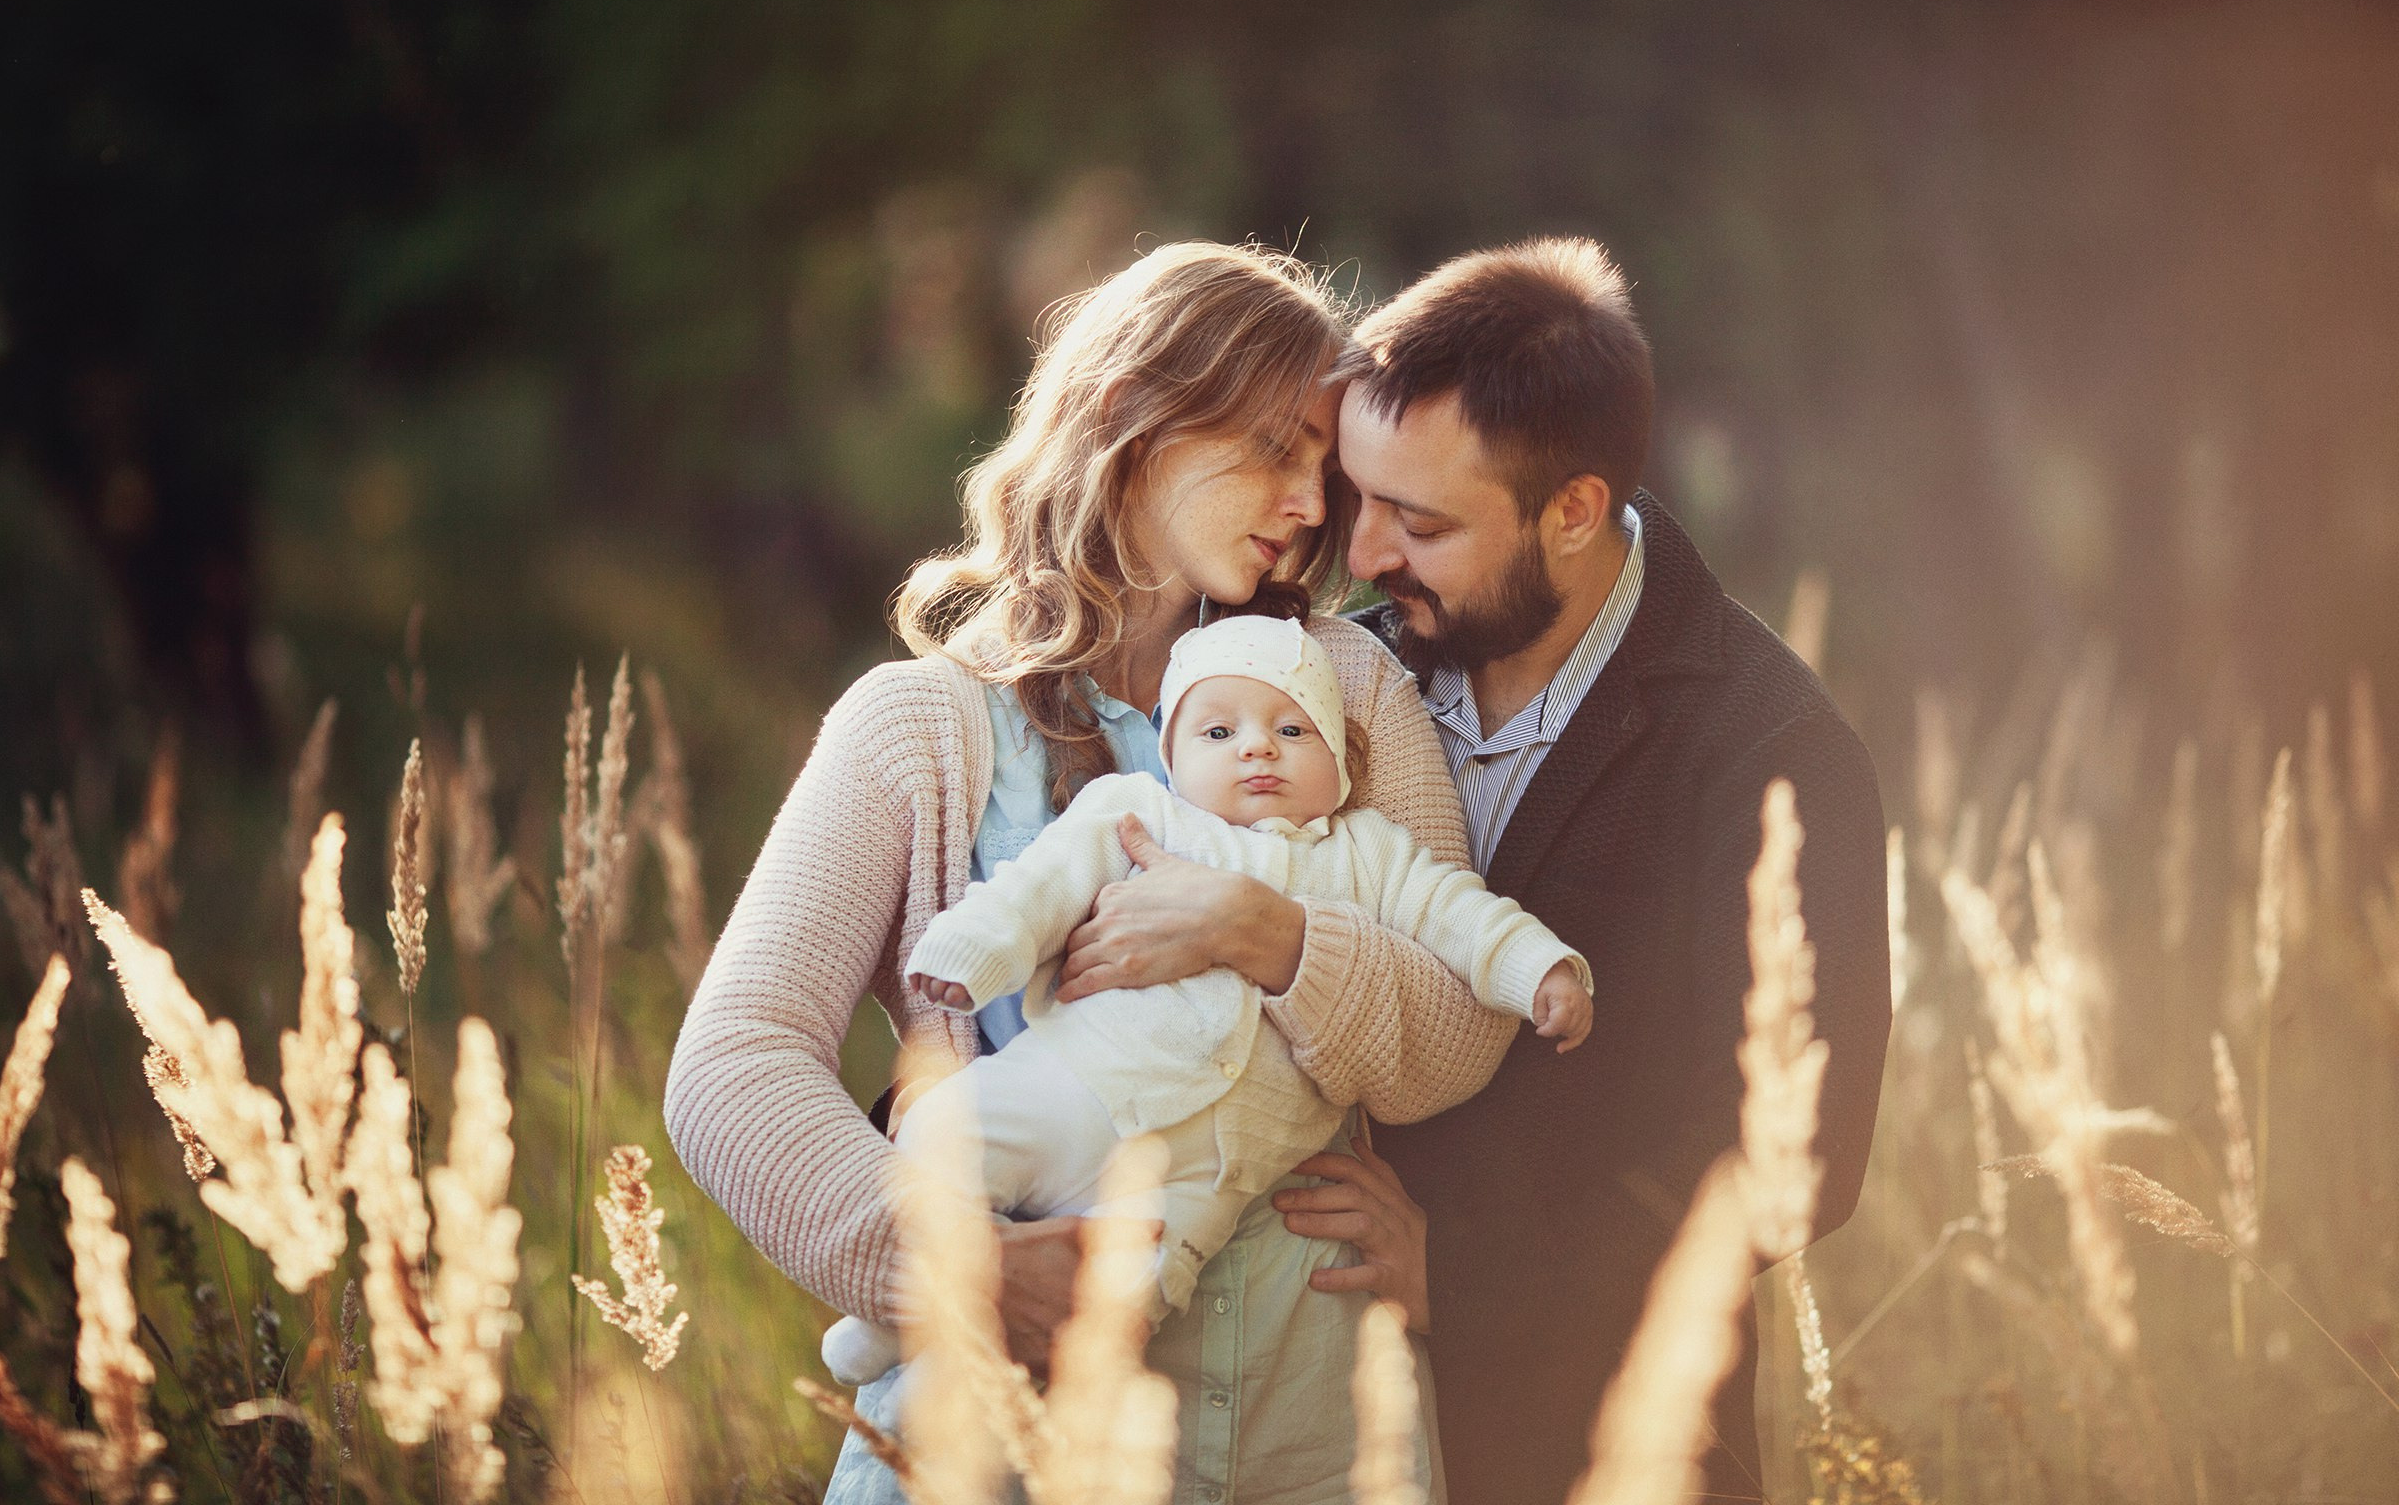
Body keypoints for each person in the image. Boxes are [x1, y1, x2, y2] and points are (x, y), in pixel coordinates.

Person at [663, 241, 1522, 1505]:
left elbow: (1458, 1025)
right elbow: (732, 1063)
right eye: (1276, 449)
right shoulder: (921, 727)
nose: (1306, 505)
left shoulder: (1345, 684)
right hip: (1005, 1440)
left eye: (1320, 472)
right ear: (1134, 415)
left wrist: (1270, 935)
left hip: (1307, 1429)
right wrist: (967, 1271)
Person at [1072, 237, 1890, 1502]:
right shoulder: (1334, 677)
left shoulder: (1769, 749)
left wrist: (1467, 1265)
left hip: (1596, 1433)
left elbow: (1799, 1151)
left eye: (1425, 522)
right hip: (1311, 1421)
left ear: (1571, 510)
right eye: (1363, 497)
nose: (1366, 557)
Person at [819, 615, 1593, 1388]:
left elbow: (1461, 915)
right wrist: (977, 952)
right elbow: (1038, 891)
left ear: (1342, 762)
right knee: (946, 1135)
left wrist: (1540, 970)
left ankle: (1054, 1362)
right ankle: (900, 1313)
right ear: (1172, 758)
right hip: (1077, 1090)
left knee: (1142, 1288)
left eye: (1293, 728)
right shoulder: (1143, 815)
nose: (1257, 747)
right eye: (1219, 731)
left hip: (1213, 1169)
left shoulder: (1370, 855)